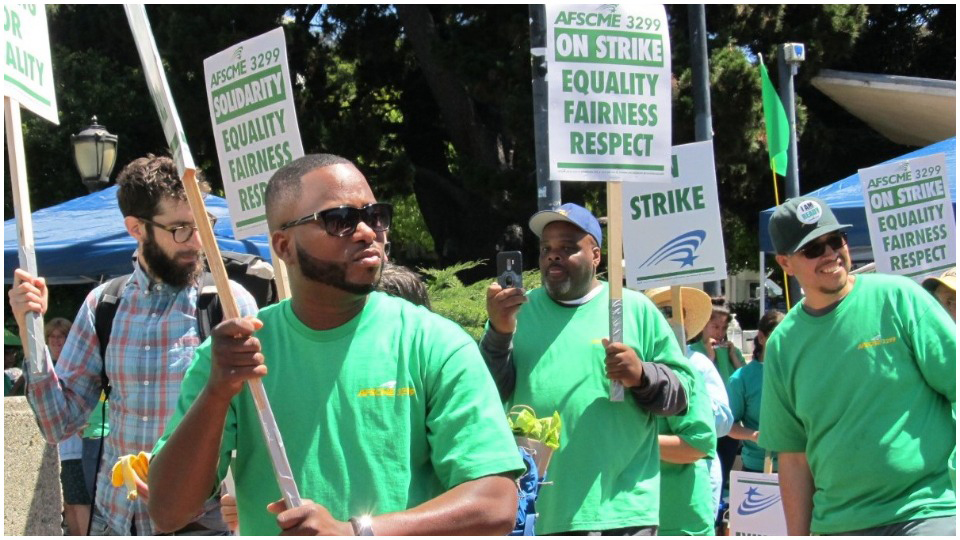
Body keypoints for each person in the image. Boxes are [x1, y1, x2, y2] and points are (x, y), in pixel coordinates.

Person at [148, 154, 523, 535]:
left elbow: (495, 504)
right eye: (339, 220)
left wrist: (355, 532)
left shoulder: (435, 343)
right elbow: (168, 512)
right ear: (283, 246)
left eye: (375, 216)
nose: (366, 232)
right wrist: (216, 393)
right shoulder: (238, 355)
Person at [7, 155, 258, 535]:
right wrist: (30, 334)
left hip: (199, 523)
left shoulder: (226, 303)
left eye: (203, 224)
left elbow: (258, 423)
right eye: (179, 229)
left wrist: (248, 493)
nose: (196, 240)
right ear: (136, 228)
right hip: (115, 521)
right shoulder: (104, 304)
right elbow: (58, 424)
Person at [481, 202, 694, 535]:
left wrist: (642, 375)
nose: (554, 255)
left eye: (567, 248)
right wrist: (499, 331)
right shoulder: (516, 312)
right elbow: (488, 396)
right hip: (540, 511)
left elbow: (681, 396)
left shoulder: (633, 309)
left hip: (621, 510)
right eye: (546, 249)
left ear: (596, 255)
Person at [760, 196, 956, 535]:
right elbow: (793, 455)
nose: (830, 253)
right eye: (812, 249)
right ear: (785, 263)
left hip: (925, 510)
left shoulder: (899, 297)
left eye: (835, 240)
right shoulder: (782, 344)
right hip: (837, 523)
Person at [644, 286, 733, 524]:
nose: (668, 318)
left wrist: (697, 405)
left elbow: (722, 424)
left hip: (691, 490)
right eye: (662, 311)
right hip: (648, 498)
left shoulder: (698, 364)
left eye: (674, 311)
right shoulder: (637, 366)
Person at [46, 318, 91, 536]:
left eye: (60, 337)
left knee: (80, 504)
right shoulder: (47, 369)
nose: (56, 342)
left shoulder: (75, 368)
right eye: (52, 337)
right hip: (58, 452)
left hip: (77, 449)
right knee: (69, 506)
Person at [727, 310, 784, 474]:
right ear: (761, 338)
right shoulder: (741, 379)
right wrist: (755, 435)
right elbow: (729, 426)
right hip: (758, 468)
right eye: (778, 335)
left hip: (799, 465)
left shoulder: (800, 372)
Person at [4, 328, 24, 396]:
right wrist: (18, 384)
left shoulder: (5, 377)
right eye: (7, 353)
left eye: (13, 353)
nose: (12, 357)